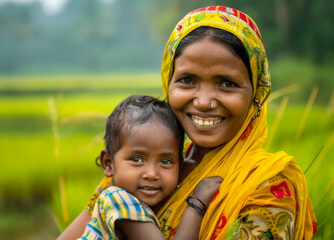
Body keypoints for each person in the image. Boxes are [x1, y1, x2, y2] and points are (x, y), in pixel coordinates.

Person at [58, 5, 317, 240]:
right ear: (167, 82)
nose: (204, 101)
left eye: (227, 83)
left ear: (256, 93)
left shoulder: (267, 185)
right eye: (187, 80)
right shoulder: (132, 163)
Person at [78, 95, 222, 240]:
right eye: (137, 159)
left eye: (166, 161)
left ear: (180, 166)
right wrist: (196, 205)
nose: (152, 174)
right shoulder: (118, 201)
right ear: (108, 163)